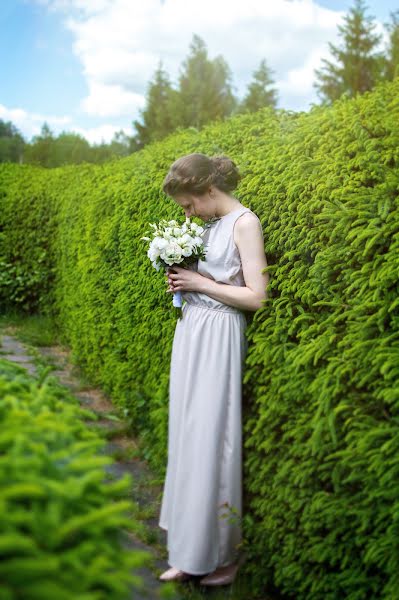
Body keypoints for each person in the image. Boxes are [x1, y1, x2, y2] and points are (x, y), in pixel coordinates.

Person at [158, 152, 269, 586]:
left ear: (208, 190)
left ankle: (222, 555)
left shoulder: (245, 222)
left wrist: (200, 283)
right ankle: (189, 551)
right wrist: (183, 277)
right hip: (192, 332)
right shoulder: (208, 224)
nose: (187, 213)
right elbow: (209, 277)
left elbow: (257, 296)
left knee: (212, 437)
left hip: (221, 335)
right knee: (187, 434)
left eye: (188, 205)